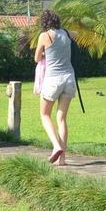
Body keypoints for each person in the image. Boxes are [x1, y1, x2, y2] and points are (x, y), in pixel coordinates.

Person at [34, 10, 76, 166]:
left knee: (45, 114)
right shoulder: (66, 33)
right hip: (69, 78)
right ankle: (62, 159)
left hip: (53, 79)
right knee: (62, 119)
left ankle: (56, 146)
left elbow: (36, 58)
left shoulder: (45, 36)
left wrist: (45, 54)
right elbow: (76, 33)